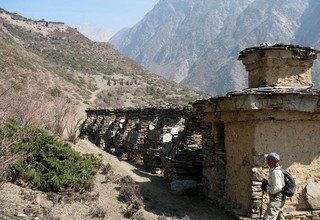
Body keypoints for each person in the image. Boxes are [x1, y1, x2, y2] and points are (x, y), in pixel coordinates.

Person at [261, 152, 286, 220]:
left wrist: (267, 188)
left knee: (268, 218)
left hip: (277, 198)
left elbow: (277, 188)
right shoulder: (275, 170)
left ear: (270, 161)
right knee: (279, 217)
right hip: (278, 198)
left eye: (267, 159)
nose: (266, 161)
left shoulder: (276, 172)